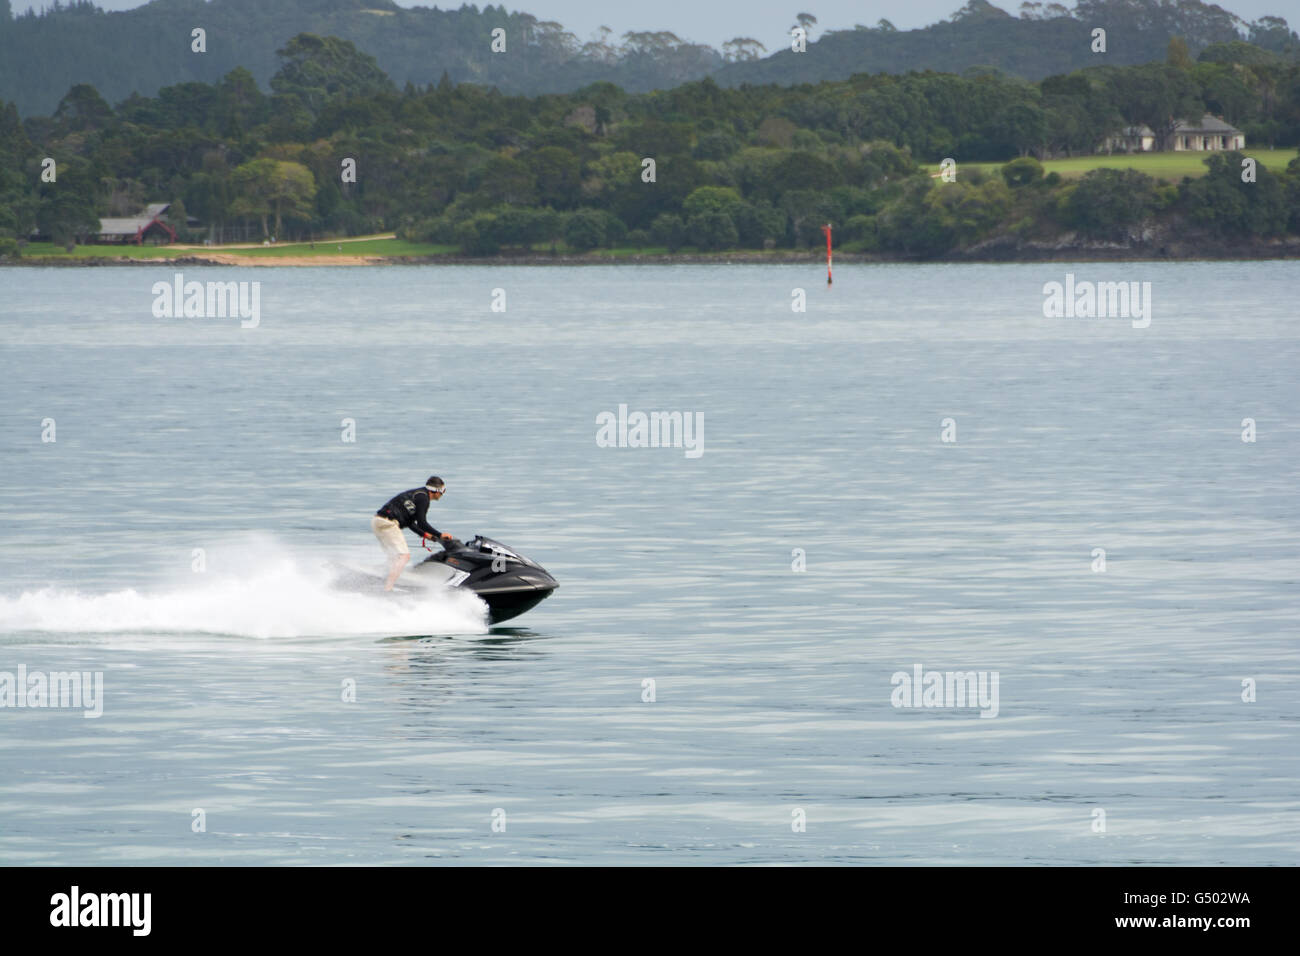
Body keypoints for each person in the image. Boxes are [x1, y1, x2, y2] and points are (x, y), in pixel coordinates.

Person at [372, 476, 453, 591]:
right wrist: (440, 535)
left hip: (378, 521)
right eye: (443, 491)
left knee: (394, 558)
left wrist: (425, 535)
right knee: (403, 556)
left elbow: (410, 522)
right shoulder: (423, 499)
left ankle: (376, 580)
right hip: (388, 524)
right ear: (436, 490)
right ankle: (387, 589)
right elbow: (422, 523)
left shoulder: (418, 495)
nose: (443, 494)